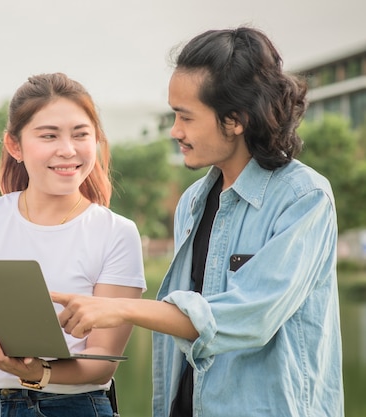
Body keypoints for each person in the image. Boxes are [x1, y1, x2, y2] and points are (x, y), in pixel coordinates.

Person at [52, 27, 344, 417]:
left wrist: (120, 309)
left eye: (185, 117)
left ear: (235, 120)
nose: (175, 131)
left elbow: (249, 316)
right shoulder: (192, 201)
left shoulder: (304, 198)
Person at [0, 72, 146, 417]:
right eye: (49, 135)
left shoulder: (116, 233)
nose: (67, 150)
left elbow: (102, 363)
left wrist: (38, 372)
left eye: (81, 135)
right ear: (14, 146)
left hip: (75, 407)